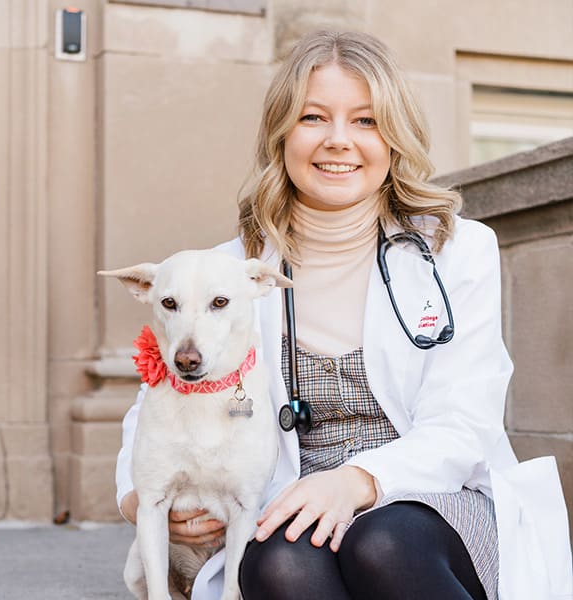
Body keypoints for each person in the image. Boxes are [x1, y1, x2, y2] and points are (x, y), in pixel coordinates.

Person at [116, 31, 572, 600]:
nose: (338, 141)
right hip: (295, 500)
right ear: (282, 133)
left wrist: (357, 481)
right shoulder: (230, 273)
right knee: (278, 562)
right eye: (313, 118)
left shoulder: (458, 252)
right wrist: (140, 501)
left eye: (365, 120)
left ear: (394, 137)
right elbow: (157, 397)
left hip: (435, 495)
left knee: (382, 542)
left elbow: (465, 423)